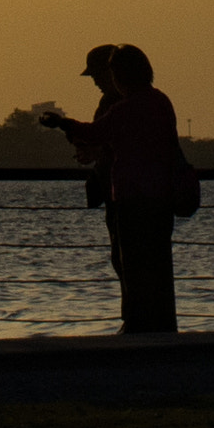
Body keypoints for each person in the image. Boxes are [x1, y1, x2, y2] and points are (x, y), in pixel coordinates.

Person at [43, 44, 183, 333]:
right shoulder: (161, 102)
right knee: (157, 262)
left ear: (117, 75)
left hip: (130, 197)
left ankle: (136, 322)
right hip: (161, 196)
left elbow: (95, 134)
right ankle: (162, 322)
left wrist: (63, 124)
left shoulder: (122, 108)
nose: (95, 81)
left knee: (129, 261)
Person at [62, 45, 123, 280]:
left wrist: (67, 127)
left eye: (97, 75)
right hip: (117, 191)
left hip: (121, 192)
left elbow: (99, 136)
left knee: (124, 258)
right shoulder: (117, 101)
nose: (95, 81)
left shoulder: (115, 104)